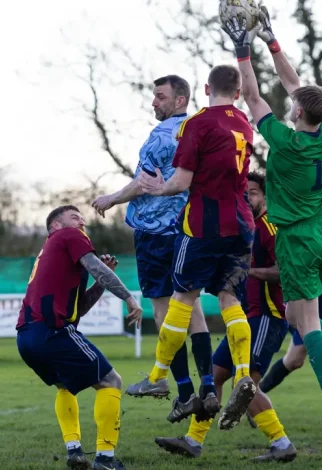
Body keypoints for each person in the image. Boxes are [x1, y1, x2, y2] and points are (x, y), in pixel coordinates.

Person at [222, 8, 322, 445]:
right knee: (300, 317)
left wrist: (242, 50)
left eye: (294, 103)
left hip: (298, 240)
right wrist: (271, 41)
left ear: (299, 111)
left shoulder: (284, 141)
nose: (289, 101)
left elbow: (252, 97)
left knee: (306, 325)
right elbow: (294, 84)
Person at [128, 64, 257, 431]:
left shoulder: (196, 124)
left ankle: (160, 376)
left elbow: (181, 181)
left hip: (202, 224)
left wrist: (158, 188)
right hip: (241, 223)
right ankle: (242, 374)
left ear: (205, 89)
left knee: (181, 300)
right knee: (229, 299)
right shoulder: (244, 123)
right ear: (237, 92)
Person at [91, 75, 216, 423]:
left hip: (155, 233)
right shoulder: (200, 131)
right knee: (192, 309)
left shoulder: (162, 135)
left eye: (160, 96)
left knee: (163, 312)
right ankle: (208, 387)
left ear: (180, 100)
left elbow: (143, 183)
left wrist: (111, 198)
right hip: (189, 230)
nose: (154, 103)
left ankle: (181, 390)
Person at [153, 172, 297, 462]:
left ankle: (281, 443)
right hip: (243, 319)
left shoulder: (271, 227)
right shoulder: (241, 227)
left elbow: (285, 271)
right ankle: (193, 441)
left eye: (253, 192)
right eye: (245, 192)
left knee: (245, 387)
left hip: (267, 317)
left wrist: (244, 270)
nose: (247, 197)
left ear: (265, 197)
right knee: (214, 377)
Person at [15, 205, 143, 470]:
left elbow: (80, 308)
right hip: (51, 331)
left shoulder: (56, 254)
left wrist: (100, 283)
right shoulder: (68, 236)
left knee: (64, 385)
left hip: (27, 337)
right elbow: (98, 268)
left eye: (82, 218)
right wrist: (129, 297)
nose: (82, 222)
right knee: (111, 381)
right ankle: (105, 459)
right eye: (75, 217)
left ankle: (74, 451)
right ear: (55, 226)